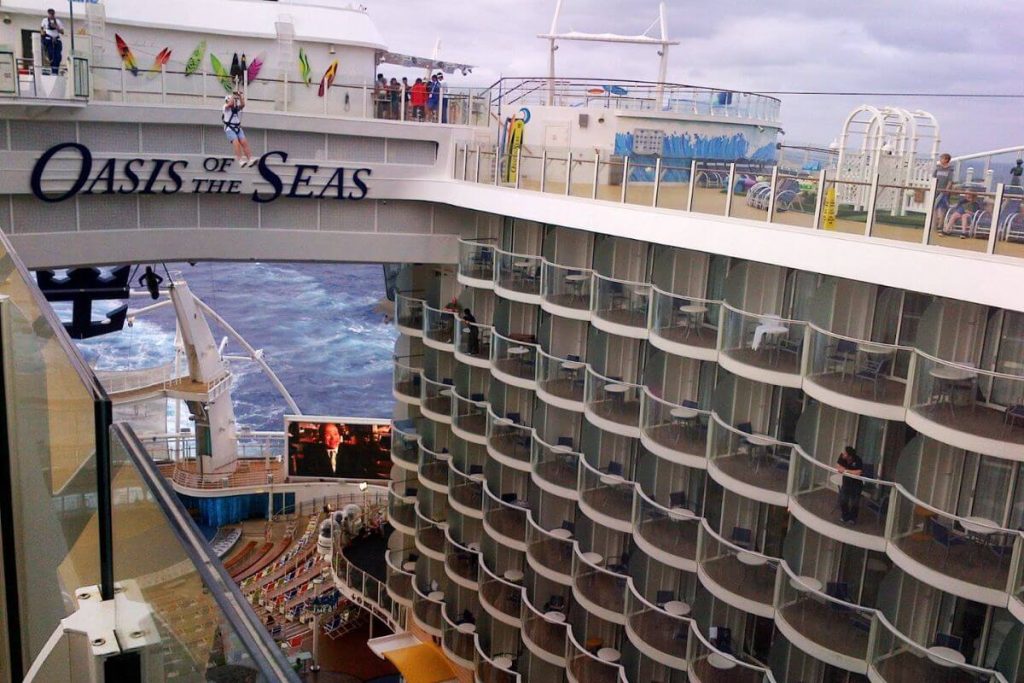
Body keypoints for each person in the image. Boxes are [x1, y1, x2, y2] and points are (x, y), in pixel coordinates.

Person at [222, 91, 255, 167]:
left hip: (237, 128)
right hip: (229, 128)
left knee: (244, 142)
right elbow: (230, 104)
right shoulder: (225, 107)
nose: (234, 103)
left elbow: (243, 105)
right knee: (236, 143)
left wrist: (240, 96)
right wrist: (233, 95)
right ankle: (240, 160)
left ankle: (250, 159)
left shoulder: (235, 109)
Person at [836, 446, 864, 525]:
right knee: (843, 500)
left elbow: (858, 472)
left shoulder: (858, 460)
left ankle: (852, 519)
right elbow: (838, 467)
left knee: (855, 502)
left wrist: (846, 470)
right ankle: (845, 516)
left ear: (850, 456)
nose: (843, 454)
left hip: (856, 484)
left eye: (845, 454)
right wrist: (850, 471)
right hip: (846, 482)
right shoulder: (842, 457)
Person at [932, 153, 955, 230]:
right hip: (936, 190)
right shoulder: (937, 168)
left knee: (942, 208)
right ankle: (933, 224)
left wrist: (946, 190)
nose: (940, 160)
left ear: (946, 160)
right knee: (934, 207)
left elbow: (950, 181)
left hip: (944, 192)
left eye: (942, 158)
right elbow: (934, 177)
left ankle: (940, 225)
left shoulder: (950, 170)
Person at [40, 8, 65, 74]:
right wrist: (43, 34)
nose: (51, 15)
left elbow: (62, 32)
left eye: (52, 14)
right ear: (48, 14)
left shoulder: (58, 21)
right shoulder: (44, 20)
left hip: (56, 39)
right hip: (48, 39)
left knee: (58, 57)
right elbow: (42, 29)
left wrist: (56, 27)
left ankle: (55, 71)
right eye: (50, 14)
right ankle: (51, 70)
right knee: (50, 55)